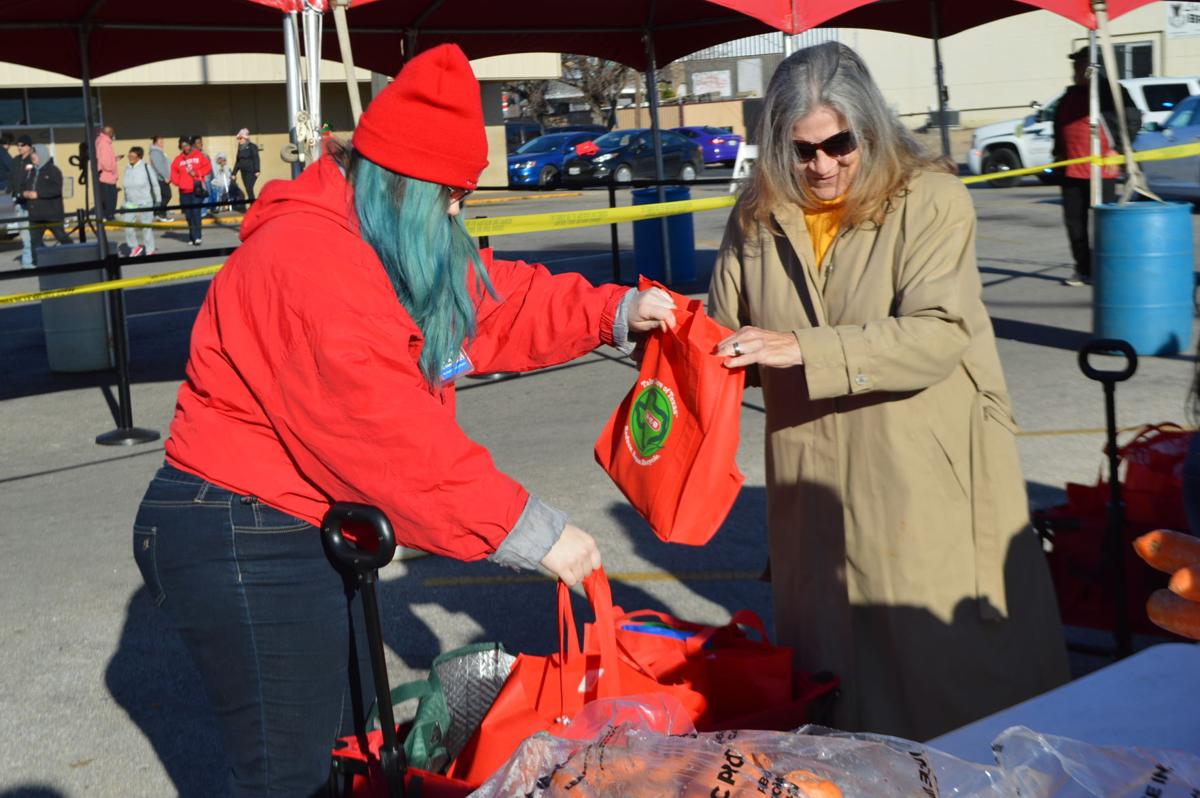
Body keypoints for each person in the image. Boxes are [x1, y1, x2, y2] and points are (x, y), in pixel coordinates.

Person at [132, 44, 675, 796]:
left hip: (294, 523)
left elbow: (493, 300)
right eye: (450, 194)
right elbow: (392, 441)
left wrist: (616, 311)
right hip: (237, 533)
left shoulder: (379, 237)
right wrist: (538, 532)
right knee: (280, 774)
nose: (458, 210)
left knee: (327, 752)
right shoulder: (309, 263)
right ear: (402, 182)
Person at [707, 42, 1069, 742]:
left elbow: (938, 333)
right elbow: (723, 334)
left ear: (870, 128)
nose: (822, 166)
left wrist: (800, 348)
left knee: (945, 674)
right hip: (812, 474)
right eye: (801, 149)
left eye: (840, 144)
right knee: (835, 675)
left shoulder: (931, 198)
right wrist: (651, 333)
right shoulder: (756, 214)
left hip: (922, 467)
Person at [1052, 46, 1142, 287]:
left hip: (1103, 170)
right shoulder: (1068, 95)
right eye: (1074, 66)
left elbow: (1133, 119)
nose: (1075, 70)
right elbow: (1058, 128)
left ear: (1093, 68)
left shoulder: (1111, 92)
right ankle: (1083, 269)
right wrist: (1057, 157)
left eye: (1080, 65)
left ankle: (1108, 268)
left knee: (1105, 224)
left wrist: (1118, 150)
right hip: (1071, 170)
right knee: (1075, 225)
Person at [23, 144, 72, 256]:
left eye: (34, 153)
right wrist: (24, 193)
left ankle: (74, 258)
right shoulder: (31, 171)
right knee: (35, 242)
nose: (32, 156)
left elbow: (56, 190)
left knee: (62, 238)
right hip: (35, 215)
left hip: (52, 215)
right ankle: (39, 265)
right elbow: (23, 185)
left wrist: (38, 194)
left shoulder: (53, 171)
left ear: (42, 154)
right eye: (31, 154)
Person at [169, 135, 210, 246]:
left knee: (196, 212)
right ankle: (192, 236)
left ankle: (197, 236)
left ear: (190, 145)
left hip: (196, 189)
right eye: (182, 146)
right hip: (184, 192)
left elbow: (207, 167)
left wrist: (196, 173)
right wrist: (178, 182)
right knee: (188, 215)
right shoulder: (178, 159)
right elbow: (173, 171)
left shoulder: (199, 155)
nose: (185, 147)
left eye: (186, 145)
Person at [121, 146, 160, 257]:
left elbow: (155, 184)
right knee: (127, 226)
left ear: (139, 156)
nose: (130, 157)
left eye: (133, 155)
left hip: (145, 201)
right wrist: (124, 203)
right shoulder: (127, 168)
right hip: (131, 203)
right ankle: (135, 247)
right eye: (129, 155)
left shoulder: (146, 167)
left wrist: (158, 200)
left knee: (146, 227)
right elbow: (126, 188)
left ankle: (150, 251)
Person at [10, 135, 33, 267]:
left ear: (29, 146)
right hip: (18, 201)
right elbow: (12, 179)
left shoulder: (33, 159)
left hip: (30, 202)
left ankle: (29, 261)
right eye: (18, 145)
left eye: (22, 145)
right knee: (24, 232)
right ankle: (31, 258)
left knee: (31, 232)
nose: (19, 147)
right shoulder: (15, 161)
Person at [95, 124, 120, 221]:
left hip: (104, 176)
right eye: (112, 132)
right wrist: (112, 166)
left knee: (106, 198)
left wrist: (114, 159)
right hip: (107, 176)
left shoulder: (100, 141)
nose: (113, 134)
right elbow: (106, 163)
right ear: (109, 133)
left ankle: (108, 216)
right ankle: (110, 217)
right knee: (110, 199)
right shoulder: (104, 143)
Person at [148, 135, 173, 222]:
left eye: (162, 141)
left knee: (163, 197)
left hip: (164, 178)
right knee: (167, 195)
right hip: (160, 178)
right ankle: (160, 213)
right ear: (155, 142)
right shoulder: (155, 152)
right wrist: (165, 176)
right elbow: (158, 166)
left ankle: (159, 213)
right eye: (160, 142)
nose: (162, 143)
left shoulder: (159, 151)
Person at [232, 127, 260, 203]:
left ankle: (254, 205)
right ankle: (253, 205)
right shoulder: (240, 148)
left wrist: (257, 170)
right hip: (243, 171)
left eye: (241, 138)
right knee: (248, 189)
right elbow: (238, 161)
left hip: (251, 171)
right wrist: (234, 173)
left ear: (245, 138)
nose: (239, 140)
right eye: (239, 138)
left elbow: (256, 158)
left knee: (249, 188)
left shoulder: (252, 146)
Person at [191, 135, 215, 218]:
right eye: (198, 142)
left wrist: (212, 176)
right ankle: (202, 213)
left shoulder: (203, 153)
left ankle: (203, 211)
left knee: (207, 195)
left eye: (200, 142)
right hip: (201, 178)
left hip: (207, 177)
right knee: (203, 196)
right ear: (193, 144)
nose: (200, 144)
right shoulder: (194, 154)